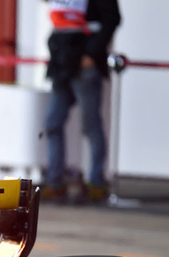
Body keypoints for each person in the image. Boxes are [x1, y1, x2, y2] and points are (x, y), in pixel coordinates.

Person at [43, 0, 121, 204]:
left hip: (85, 66)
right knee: (53, 123)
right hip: (61, 62)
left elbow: (112, 19)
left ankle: (96, 182)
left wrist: (91, 54)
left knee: (90, 125)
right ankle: (55, 181)